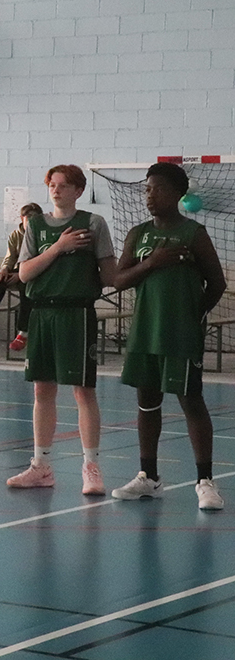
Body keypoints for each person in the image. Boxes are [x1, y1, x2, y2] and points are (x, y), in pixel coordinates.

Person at [110, 163, 227, 510]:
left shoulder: (193, 233)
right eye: (147, 189)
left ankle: (205, 482)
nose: (150, 195)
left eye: (157, 189)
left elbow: (217, 283)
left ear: (178, 194)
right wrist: (152, 262)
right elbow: (118, 280)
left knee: (191, 401)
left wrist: (193, 315)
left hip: (180, 335)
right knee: (147, 403)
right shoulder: (138, 234)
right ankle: (149, 477)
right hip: (145, 332)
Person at [7, 164, 116, 495]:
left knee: (83, 390)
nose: (55, 190)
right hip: (42, 312)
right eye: (52, 184)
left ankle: (91, 466)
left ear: (78, 191)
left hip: (76, 312)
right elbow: (24, 273)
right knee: (42, 390)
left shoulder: (93, 223)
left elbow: (110, 274)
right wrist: (58, 247)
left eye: (63, 185)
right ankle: (41, 466)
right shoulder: (35, 225)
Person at [0, 202, 42, 352]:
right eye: (29, 219)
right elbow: (10, 256)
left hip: (35, 272)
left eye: (35, 219)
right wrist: (4, 268)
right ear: (22, 218)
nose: (32, 222)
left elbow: (39, 260)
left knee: (26, 288)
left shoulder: (41, 235)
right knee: (1, 279)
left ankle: (23, 332)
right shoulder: (15, 235)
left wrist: (21, 275)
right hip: (19, 268)